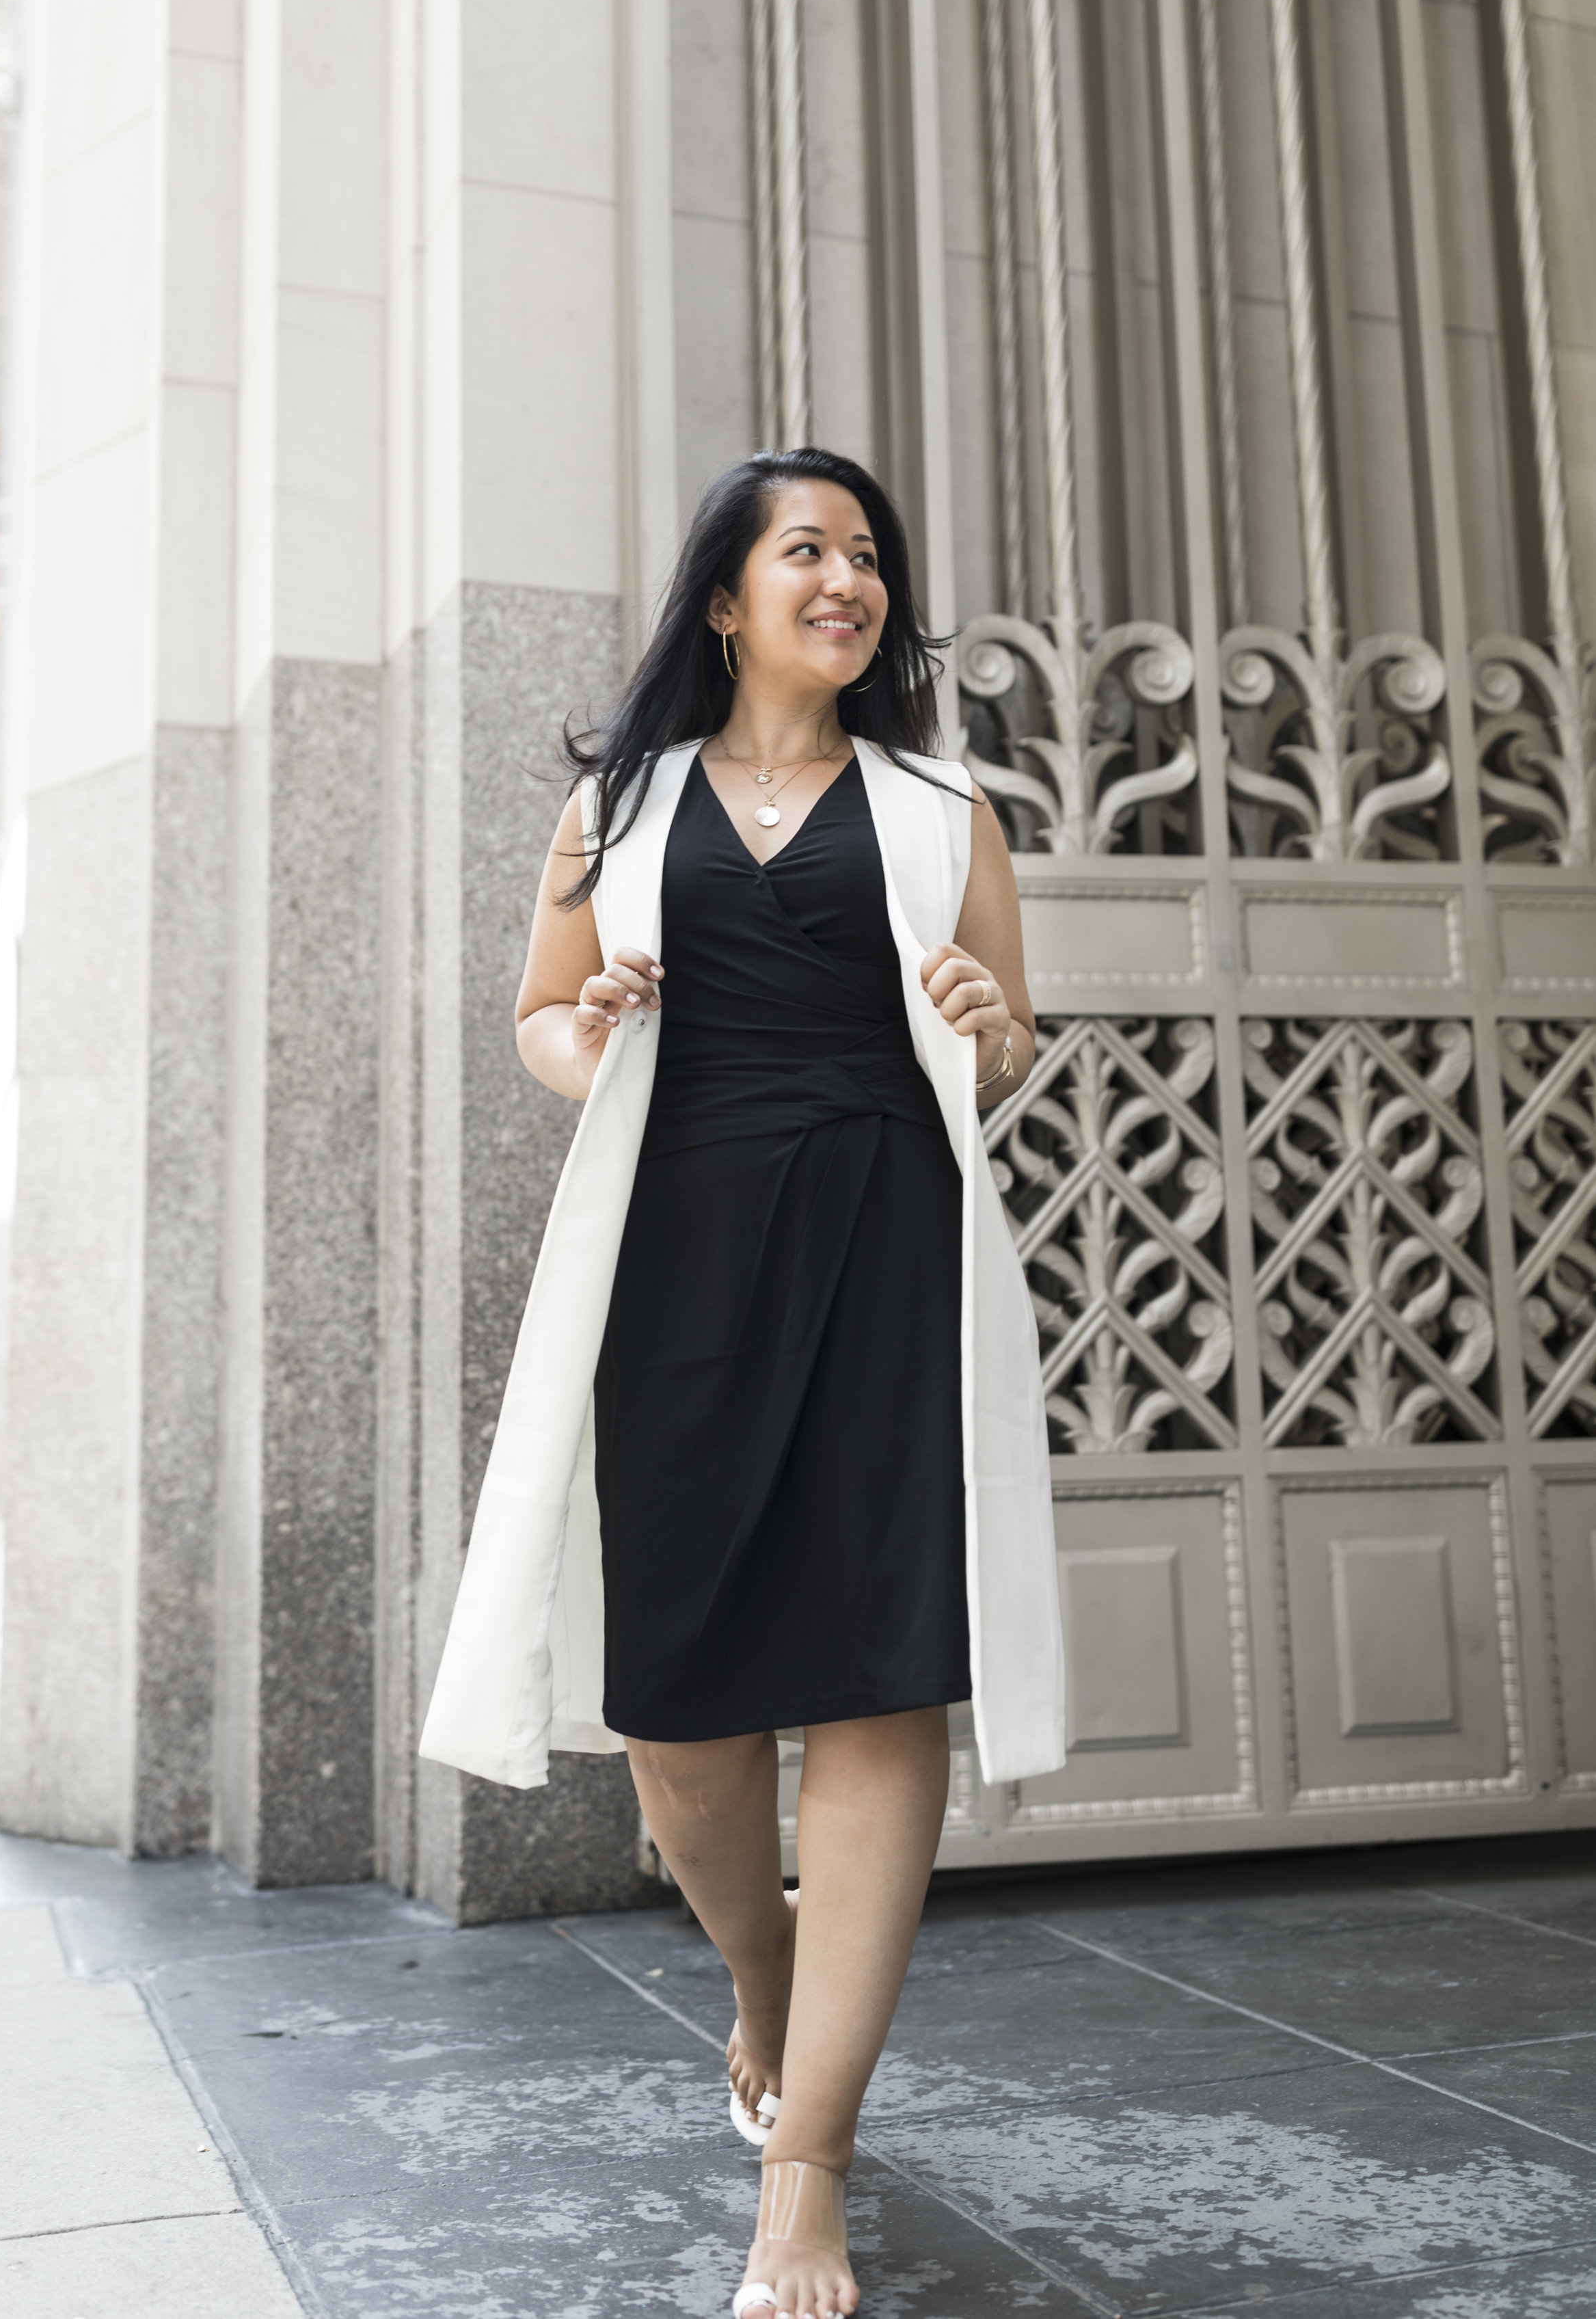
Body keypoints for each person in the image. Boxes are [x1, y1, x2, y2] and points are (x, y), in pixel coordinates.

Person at [420, 448, 1064, 2318]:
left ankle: (807, 2172)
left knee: (876, 1700)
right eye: (807, 550)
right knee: (680, 1731)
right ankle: (761, 1983)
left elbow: (1008, 1037)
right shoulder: (615, 807)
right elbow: (539, 1015)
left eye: (867, 555)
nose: (846, 579)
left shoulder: (944, 805)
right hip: (679, 1264)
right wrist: (585, 1031)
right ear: (726, 597)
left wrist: (985, 1029)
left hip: (885, 1260)